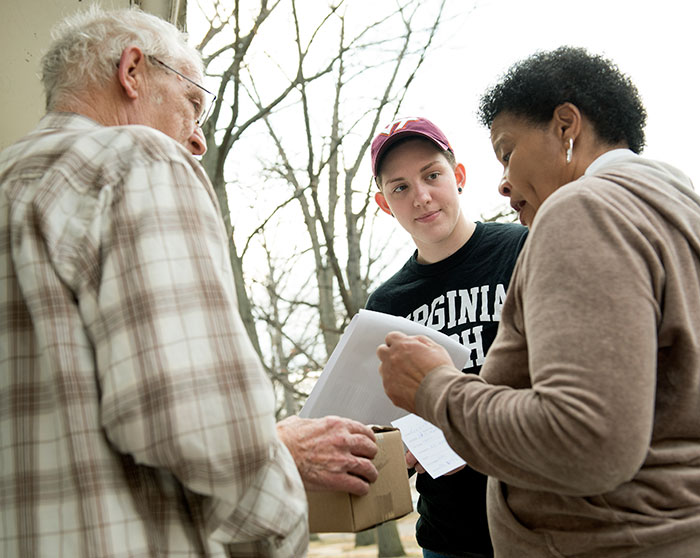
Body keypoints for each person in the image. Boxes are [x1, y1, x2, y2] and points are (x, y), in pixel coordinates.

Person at [0, 7, 378, 557]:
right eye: (193, 105)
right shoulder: (138, 159)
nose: (197, 142)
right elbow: (193, 422)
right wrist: (279, 499)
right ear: (132, 72)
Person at [376, 46, 700, 557]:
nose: (503, 181)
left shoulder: (581, 209)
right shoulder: (675, 204)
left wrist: (434, 388)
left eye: (507, 152)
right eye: (399, 186)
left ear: (566, 126)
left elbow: (586, 440)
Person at [366, 117, 527, 558]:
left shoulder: (523, 249)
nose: (420, 196)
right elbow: (385, 422)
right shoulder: (385, 306)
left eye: (431, 175)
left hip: (538, 519)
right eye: (399, 187)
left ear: (457, 176)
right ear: (384, 204)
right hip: (450, 535)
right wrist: (400, 450)